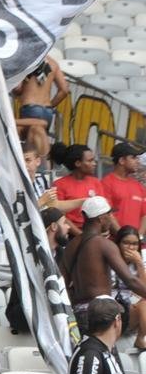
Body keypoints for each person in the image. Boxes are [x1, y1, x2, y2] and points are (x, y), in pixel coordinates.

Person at [62, 197, 146, 334]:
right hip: (101, 313)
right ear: (101, 218)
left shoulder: (70, 246)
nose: (111, 218)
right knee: (104, 349)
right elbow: (130, 280)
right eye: (109, 214)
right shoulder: (105, 245)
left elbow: (63, 284)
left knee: (88, 347)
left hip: (78, 313)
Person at [14, 56, 68, 159]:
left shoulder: (28, 58)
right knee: (39, 145)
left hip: (30, 107)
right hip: (47, 111)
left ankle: (28, 165)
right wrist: (51, 105)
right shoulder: (53, 63)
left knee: (28, 145)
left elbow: (17, 88)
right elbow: (64, 90)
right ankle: (41, 165)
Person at [54, 143, 105, 228]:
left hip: (94, 230)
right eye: (90, 161)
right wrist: (79, 234)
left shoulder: (96, 182)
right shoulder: (59, 184)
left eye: (93, 160)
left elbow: (102, 211)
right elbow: (60, 216)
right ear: (78, 163)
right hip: (70, 232)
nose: (94, 164)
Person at [113, 226, 146, 349]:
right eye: (126, 243)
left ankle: (140, 339)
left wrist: (139, 263)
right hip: (110, 307)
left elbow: (144, 290)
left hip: (130, 309)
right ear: (118, 244)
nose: (131, 248)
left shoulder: (140, 261)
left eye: (135, 244)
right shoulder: (110, 258)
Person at [105, 142, 146, 232]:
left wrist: (139, 236)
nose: (137, 161)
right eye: (133, 158)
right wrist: (123, 236)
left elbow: (145, 215)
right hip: (113, 239)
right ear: (122, 161)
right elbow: (107, 214)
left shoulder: (139, 186)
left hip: (136, 239)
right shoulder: (106, 183)